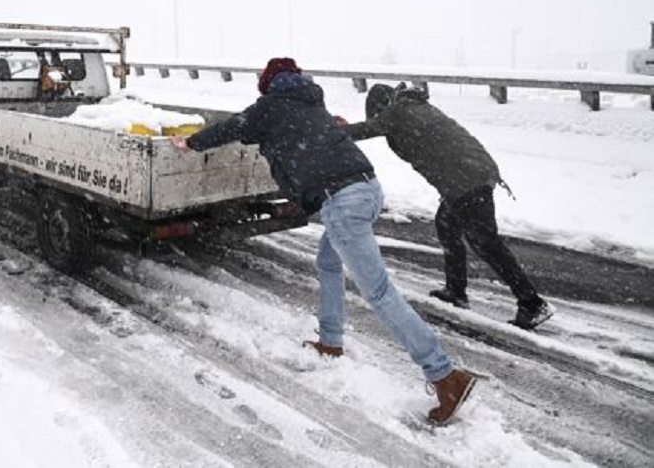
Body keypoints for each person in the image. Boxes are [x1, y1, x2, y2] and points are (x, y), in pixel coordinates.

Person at [170, 58, 477, 425]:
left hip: (342, 201)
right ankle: (330, 344)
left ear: (269, 83)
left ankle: (444, 376)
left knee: (379, 293)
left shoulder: (270, 106)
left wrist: (190, 141)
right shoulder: (312, 101)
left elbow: (233, 127)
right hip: (366, 188)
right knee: (328, 263)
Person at [341, 82, 555, 330]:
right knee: (447, 226)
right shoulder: (415, 108)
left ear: (382, 106)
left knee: (485, 242)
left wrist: (331, 129)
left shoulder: (399, 111)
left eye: (377, 112)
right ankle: (456, 291)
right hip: (467, 175)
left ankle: (531, 302)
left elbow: (363, 130)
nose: (378, 117)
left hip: (465, 179)